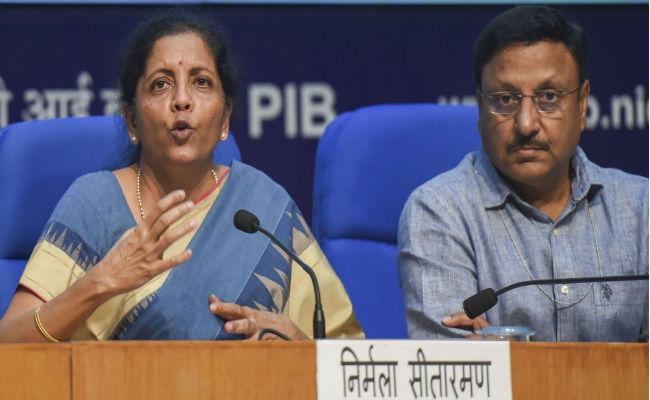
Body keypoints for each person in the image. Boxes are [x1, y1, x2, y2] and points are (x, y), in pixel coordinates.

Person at [0, 10, 363, 342]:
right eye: (161, 84)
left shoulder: (264, 209)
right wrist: (99, 284)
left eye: (201, 82)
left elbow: (349, 356)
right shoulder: (94, 204)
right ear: (131, 121)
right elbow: (8, 346)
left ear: (225, 119)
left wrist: (299, 346)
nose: (182, 100)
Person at [398, 5, 648, 342]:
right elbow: (456, 368)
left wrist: (504, 355)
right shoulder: (439, 212)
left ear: (582, 104)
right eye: (505, 99)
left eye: (549, 96)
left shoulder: (641, 210)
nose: (526, 123)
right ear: (480, 107)